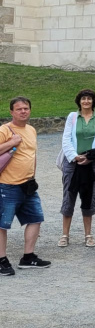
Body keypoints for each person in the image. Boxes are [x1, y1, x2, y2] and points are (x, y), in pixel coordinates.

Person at [0, 97, 51, 275]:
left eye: (26, 108)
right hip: (7, 185)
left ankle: (28, 257)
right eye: (19, 109)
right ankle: (1, 260)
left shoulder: (31, 130)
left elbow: (31, 155)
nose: (23, 111)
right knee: (2, 225)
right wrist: (12, 142)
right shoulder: (4, 130)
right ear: (11, 112)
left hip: (28, 185)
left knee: (35, 219)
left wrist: (32, 177)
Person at [59, 89, 95, 248]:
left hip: (91, 163)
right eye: (83, 98)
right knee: (69, 196)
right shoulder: (72, 117)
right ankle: (65, 235)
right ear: (79, 101)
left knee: (89, 197)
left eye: (89, 98)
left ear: (93, 101)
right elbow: (66, 138)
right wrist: (75, 156)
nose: (86, 101)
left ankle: (88, 235)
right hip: (72, 163)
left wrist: (90, 157)